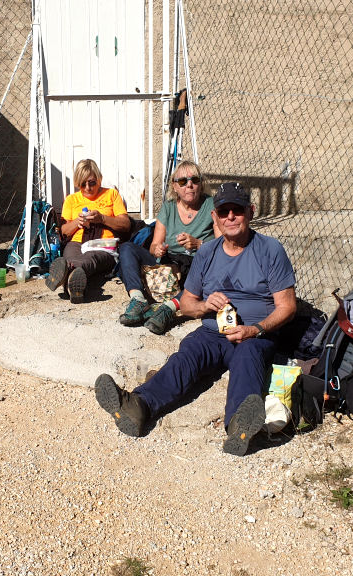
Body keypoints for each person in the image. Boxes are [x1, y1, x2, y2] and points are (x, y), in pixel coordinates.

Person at [94, 182, 297, 456]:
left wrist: (256, 329)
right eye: (223, 212)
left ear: (250, 212)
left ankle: (240, 426)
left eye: (237, 210)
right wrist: (204, 305)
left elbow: (287, 306)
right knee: (187, 356)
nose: (230, 217)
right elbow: (187, 304)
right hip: (213, 332)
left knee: (248, 360)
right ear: (215, 216)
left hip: (253, 334)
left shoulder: (269, 250)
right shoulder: (207, 253)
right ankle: (138, 406)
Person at [117, 160, 220, 334]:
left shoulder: (211, 205)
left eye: (195, 180)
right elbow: (154, 245)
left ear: (201, 183)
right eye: (183, 181)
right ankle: (138, 299)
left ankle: (168, 309)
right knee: (127, 248)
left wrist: (198, 244)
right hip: (169, 263)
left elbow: (223, 245)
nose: (189, 185)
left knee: (210, 273)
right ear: (175, 186)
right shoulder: (168, 207)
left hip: (197, 263)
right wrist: (157, 249)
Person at [45, 159, 130, 303]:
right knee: (70, 255)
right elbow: (63, 232)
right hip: (76, 243)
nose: (87, 188)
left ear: (99, 179)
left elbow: (125, 224)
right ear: (77, 183)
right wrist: (77, 222)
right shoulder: (71, 200)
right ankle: (74, 286)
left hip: (103, 244)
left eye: (92, 183)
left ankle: (67, 275)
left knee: (91, 258)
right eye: (82, 184)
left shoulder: (111, 194)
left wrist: (102, 218)